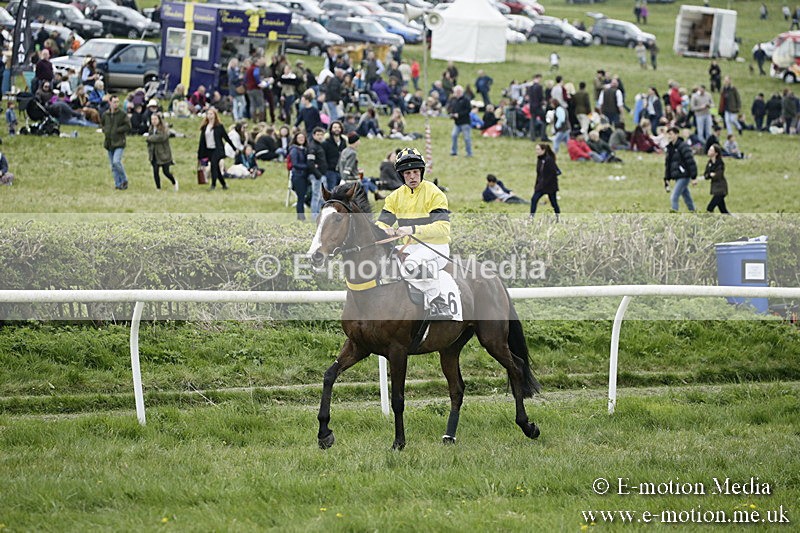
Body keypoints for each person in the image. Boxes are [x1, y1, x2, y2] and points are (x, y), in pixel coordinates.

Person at [376, 147, 453, 319]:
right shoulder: (394, 197)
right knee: (385, 263)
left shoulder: (434, 193)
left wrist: (412, 230)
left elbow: (443, 228)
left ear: (421, 172)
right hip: (411, 247)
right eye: (407, 173)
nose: (412, 177)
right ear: (401, 175)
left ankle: (438, 302)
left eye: (415, 172)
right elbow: (380, 223)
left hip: (436, 247)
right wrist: (384, 229)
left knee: (410, 263)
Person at [197, 108, 235, 191]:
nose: (210, 116)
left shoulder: (219, 126)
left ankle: (213, 185)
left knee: (214, 165)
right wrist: (199, 154)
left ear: (215, 115)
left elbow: (226, 137)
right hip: (209, 150)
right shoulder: (205, 127)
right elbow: (202, 141)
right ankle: (224, 184)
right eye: (208, 114)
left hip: (217, 149)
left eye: (211, 114)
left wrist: (234, 147)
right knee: (216, 168)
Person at [100, 94, 131, 190]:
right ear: (110, 102)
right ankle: (118, 184)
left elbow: (128, 126)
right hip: (109, 143)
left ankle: (124, 179)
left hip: (119, 142)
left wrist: (117, 130)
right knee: (113, 166)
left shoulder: (122, 114)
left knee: (116, 161)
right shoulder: (105, 114)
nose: (116, 104)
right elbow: (103, 124)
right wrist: (105, 130)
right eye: (114, 102)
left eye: (117, 102)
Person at [664, 126, 698, 212]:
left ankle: (674, 217)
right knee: (687, 197)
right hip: (677, 176)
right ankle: (694, 213)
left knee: (674, 197)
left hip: (684, 176)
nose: (669, 136)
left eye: (671, 134)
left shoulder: (683, 146)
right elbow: (668, 164)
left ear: (676, 134)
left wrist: (693, 177)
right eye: (668, 134)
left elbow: (690, 161)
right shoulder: (670, 148)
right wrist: (667, 178)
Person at [146, 112, 178, 191]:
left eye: (155, 119)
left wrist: (150, 138)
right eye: (152, 119)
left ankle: (174, 182)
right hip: (154, 154)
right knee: (155, 171)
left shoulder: (164, 129)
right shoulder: (151, 129)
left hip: (164, 154)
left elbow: (161, 138)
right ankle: (158, 188)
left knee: (166, 172)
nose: (153, 121)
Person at [530, 143, 560, 221]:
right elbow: (539, 174)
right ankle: (531, 217)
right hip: (541, 185)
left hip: (549, 185)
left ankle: (557, 217)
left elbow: (553, 173)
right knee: (534, 199)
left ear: (543, 150)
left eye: (538, 149)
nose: (536, 151)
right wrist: (537, 185)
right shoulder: (540, 159)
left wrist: (543, 184)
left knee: (553, 203)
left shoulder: (549, 160)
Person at [307, 126, 328, 219]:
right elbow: (310, 163)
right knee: (316, 196)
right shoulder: (312, 147)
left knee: (321, 197)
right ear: (313, 135)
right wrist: (318, 175)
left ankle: (320, 215)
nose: (320, 136)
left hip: (322, 174)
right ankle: (314, 217)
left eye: (321, 135)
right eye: (318, 134)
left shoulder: (320, 145)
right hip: (316, 176)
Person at [289, 132, 310, 220]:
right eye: (299, 138)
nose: (301, 139)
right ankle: (301, 217)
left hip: (304, 175)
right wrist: (308, 167)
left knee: (304, 196)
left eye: (303, 137)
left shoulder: (305, 149)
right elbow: (295, 164)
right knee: (300, 197)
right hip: (298, 175)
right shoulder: (294, 150)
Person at [704, 144, 730, 214]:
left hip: (721, 189)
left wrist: (711, 175)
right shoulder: (709, 163)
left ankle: (710, 222)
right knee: (723, 210)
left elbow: (718, 175)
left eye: (711, 150)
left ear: (716, 153)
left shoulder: (720, 163)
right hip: (715, 189)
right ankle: (734, 221)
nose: (708, 151)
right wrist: (710, 174)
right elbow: (706, 175)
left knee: (710, 208)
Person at [448, 85, 472, 157]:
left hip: (465, 122)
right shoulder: (453, 100)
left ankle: (469, 153)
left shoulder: (466, 100)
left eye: (459, 92)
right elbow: (450, 108)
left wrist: (459, 115)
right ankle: (453, 151)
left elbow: (468, 110)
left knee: (467, 138)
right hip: (457, 123)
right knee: (454, 136)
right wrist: (451, 114)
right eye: (456, 92)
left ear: (462, 92)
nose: (458, 93)